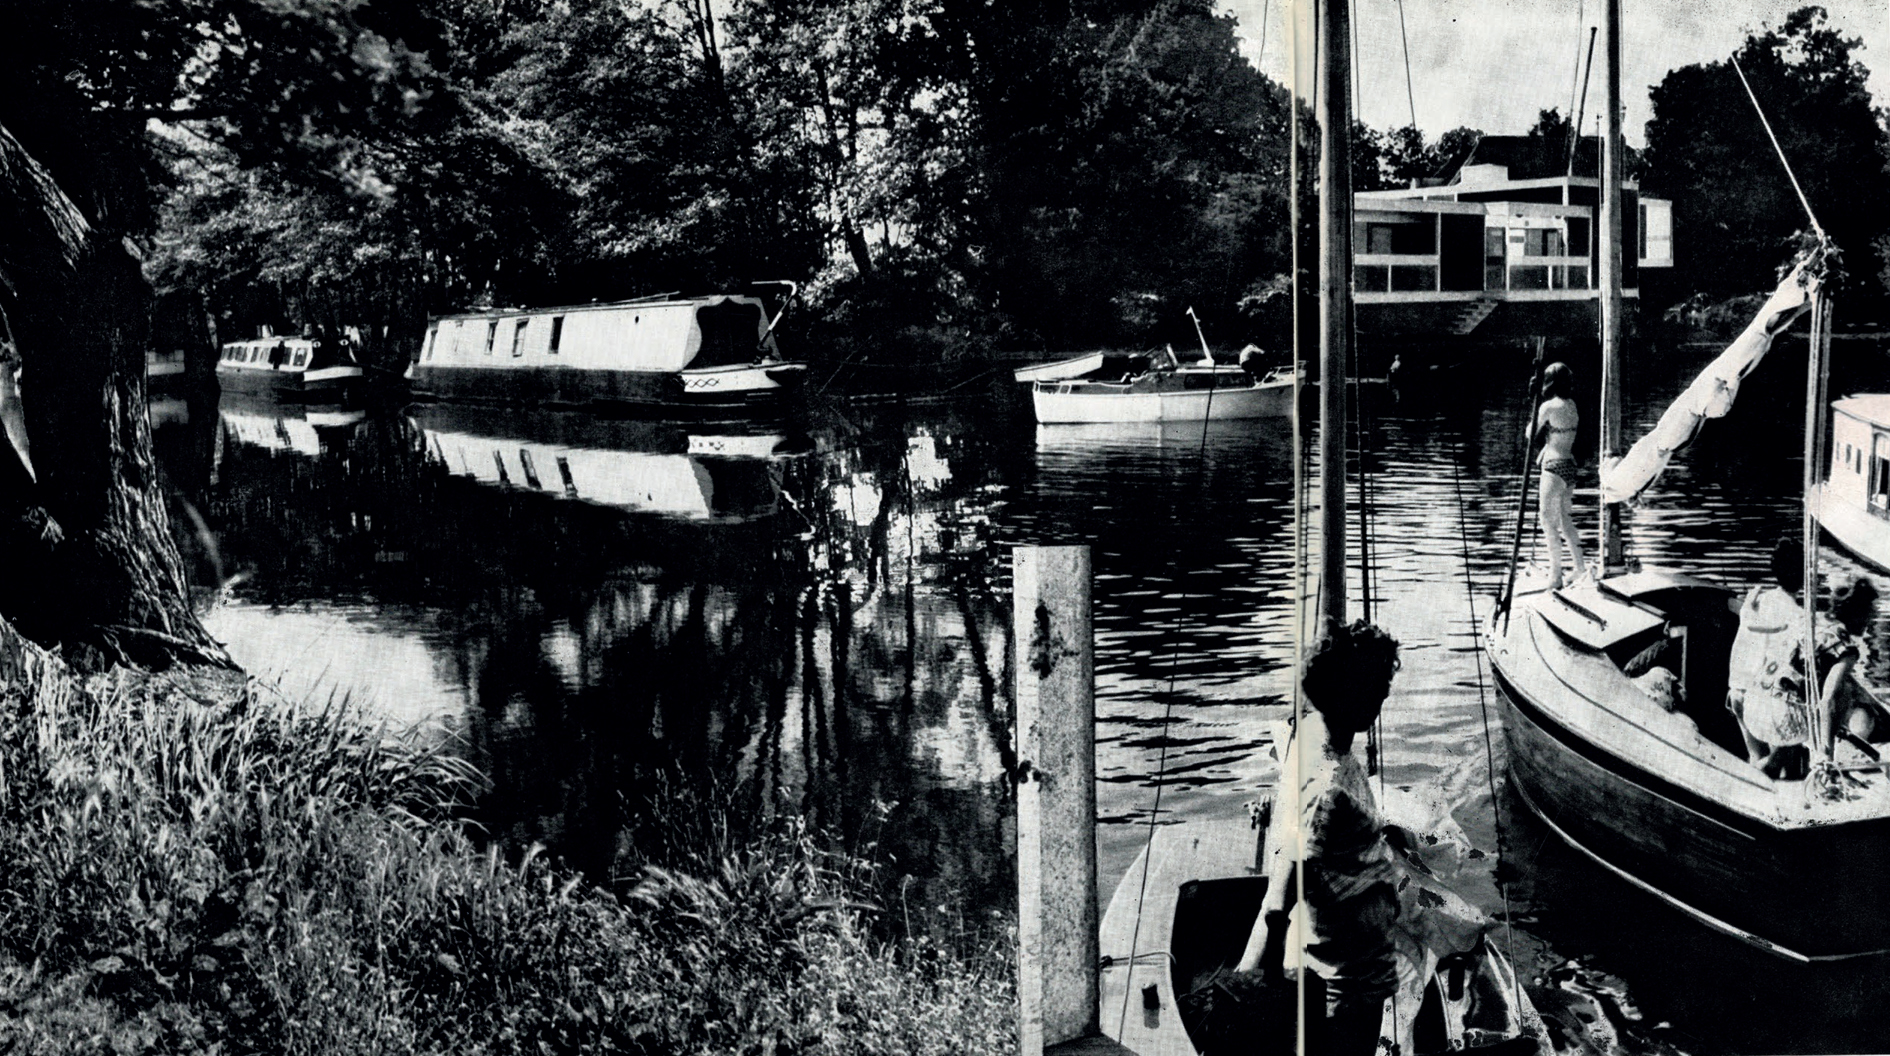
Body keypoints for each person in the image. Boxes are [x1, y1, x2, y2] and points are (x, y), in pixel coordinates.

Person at [1237, 619, 1401, 1056]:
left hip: (1351, 958)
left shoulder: (1316, 736)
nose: (1384, 694)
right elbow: (1282, 890)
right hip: (1350, 975)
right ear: (1346, 694)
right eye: (1375, 685)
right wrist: (1254, 979)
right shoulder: (1327, 784)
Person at [1727, 539, 1811, 778]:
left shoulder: (1759, 600)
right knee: (1789, 750)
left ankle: (1756, 776)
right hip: (1764, 701)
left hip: (1738, 694)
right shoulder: (1798, 616)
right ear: (1804, 576)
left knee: (1757, 757)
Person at [1531, 362, 1585, 589]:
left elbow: (1530, 434)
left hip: (1553, 468)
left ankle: (1555, 576)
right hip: (1569, 466)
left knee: (1548, 521)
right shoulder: (1572, 405)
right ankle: (1579, 567)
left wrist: (1534, 403)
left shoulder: (1548, 407)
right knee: (1565, 520)